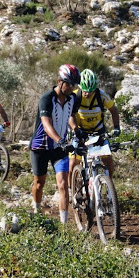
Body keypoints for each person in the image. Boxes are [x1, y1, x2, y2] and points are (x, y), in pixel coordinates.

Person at [29, 64, 81, 224]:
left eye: (74, 85)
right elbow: (46, 125)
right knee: (39, 183)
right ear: (59, 82)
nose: (72, 88)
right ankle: (36, 211)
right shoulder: (46, 98)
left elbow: (71, 115)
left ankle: (64, 226)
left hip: (59, 148)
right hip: (41, 147)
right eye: (69, 84)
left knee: (63, 184)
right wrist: (60, 140)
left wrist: (75, 129)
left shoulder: (73, 98)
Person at [70, 68, 121, 186]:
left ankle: (109, 188)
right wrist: (75, 129)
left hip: (98, 132)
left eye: (91, 91)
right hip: (80, 132)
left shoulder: (101, 95)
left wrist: (116, 127)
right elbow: (70, 115)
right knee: (72, 164)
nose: (87, 94)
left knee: (108, 163)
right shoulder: (75, 96)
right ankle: (70, 191)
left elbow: (114, 110)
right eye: (85, 91)